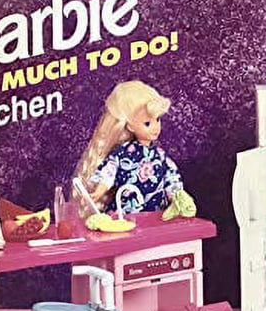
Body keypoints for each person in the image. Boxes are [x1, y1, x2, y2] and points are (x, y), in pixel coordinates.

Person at [74, 80, 197, 219]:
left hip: (156, 215)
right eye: (147, 123)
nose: (156, 127)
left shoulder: (160, 155)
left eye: (157, 120)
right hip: (128, 214)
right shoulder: (122, 154)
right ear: (130, 126)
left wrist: (176, 197)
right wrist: (99, 191)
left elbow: (171, 177)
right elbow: (109, 173)